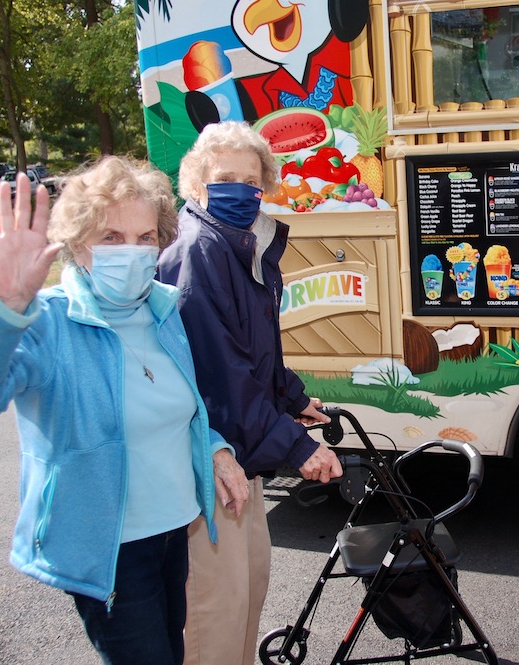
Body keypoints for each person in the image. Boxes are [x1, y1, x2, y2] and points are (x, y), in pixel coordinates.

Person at [0, 157, 240, 665]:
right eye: (111, 237)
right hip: (111, 549)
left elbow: (177, 407)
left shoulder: (165, 310)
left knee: (171, 650)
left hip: (173, 531)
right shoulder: (48, 321)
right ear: (77, 244)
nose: (133, 252)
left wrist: (213, 448)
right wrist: (4, 306)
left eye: (146, 237)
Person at [157, 120, 343, 665]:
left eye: (250, 178)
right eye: (224, 178)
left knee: (248, 593)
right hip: (209, 464)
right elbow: (220, 376)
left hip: (244, 459)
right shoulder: (200, 251)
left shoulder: (243, 245)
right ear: (197, 184)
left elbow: (254, 351)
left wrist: (291, 398)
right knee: (215, 616)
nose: (239, 190)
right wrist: (296, 446)